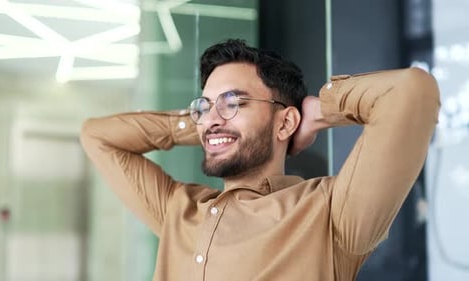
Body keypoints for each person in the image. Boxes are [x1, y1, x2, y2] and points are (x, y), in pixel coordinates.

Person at [80, 39, 440, 281]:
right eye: (204, 105)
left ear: (285, 121)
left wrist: (318, 110)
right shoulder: (179, 210)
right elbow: (98, 136)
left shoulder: (330, 215)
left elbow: (411, 91)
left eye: (233, 102)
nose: (210, 117)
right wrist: (207, 124)